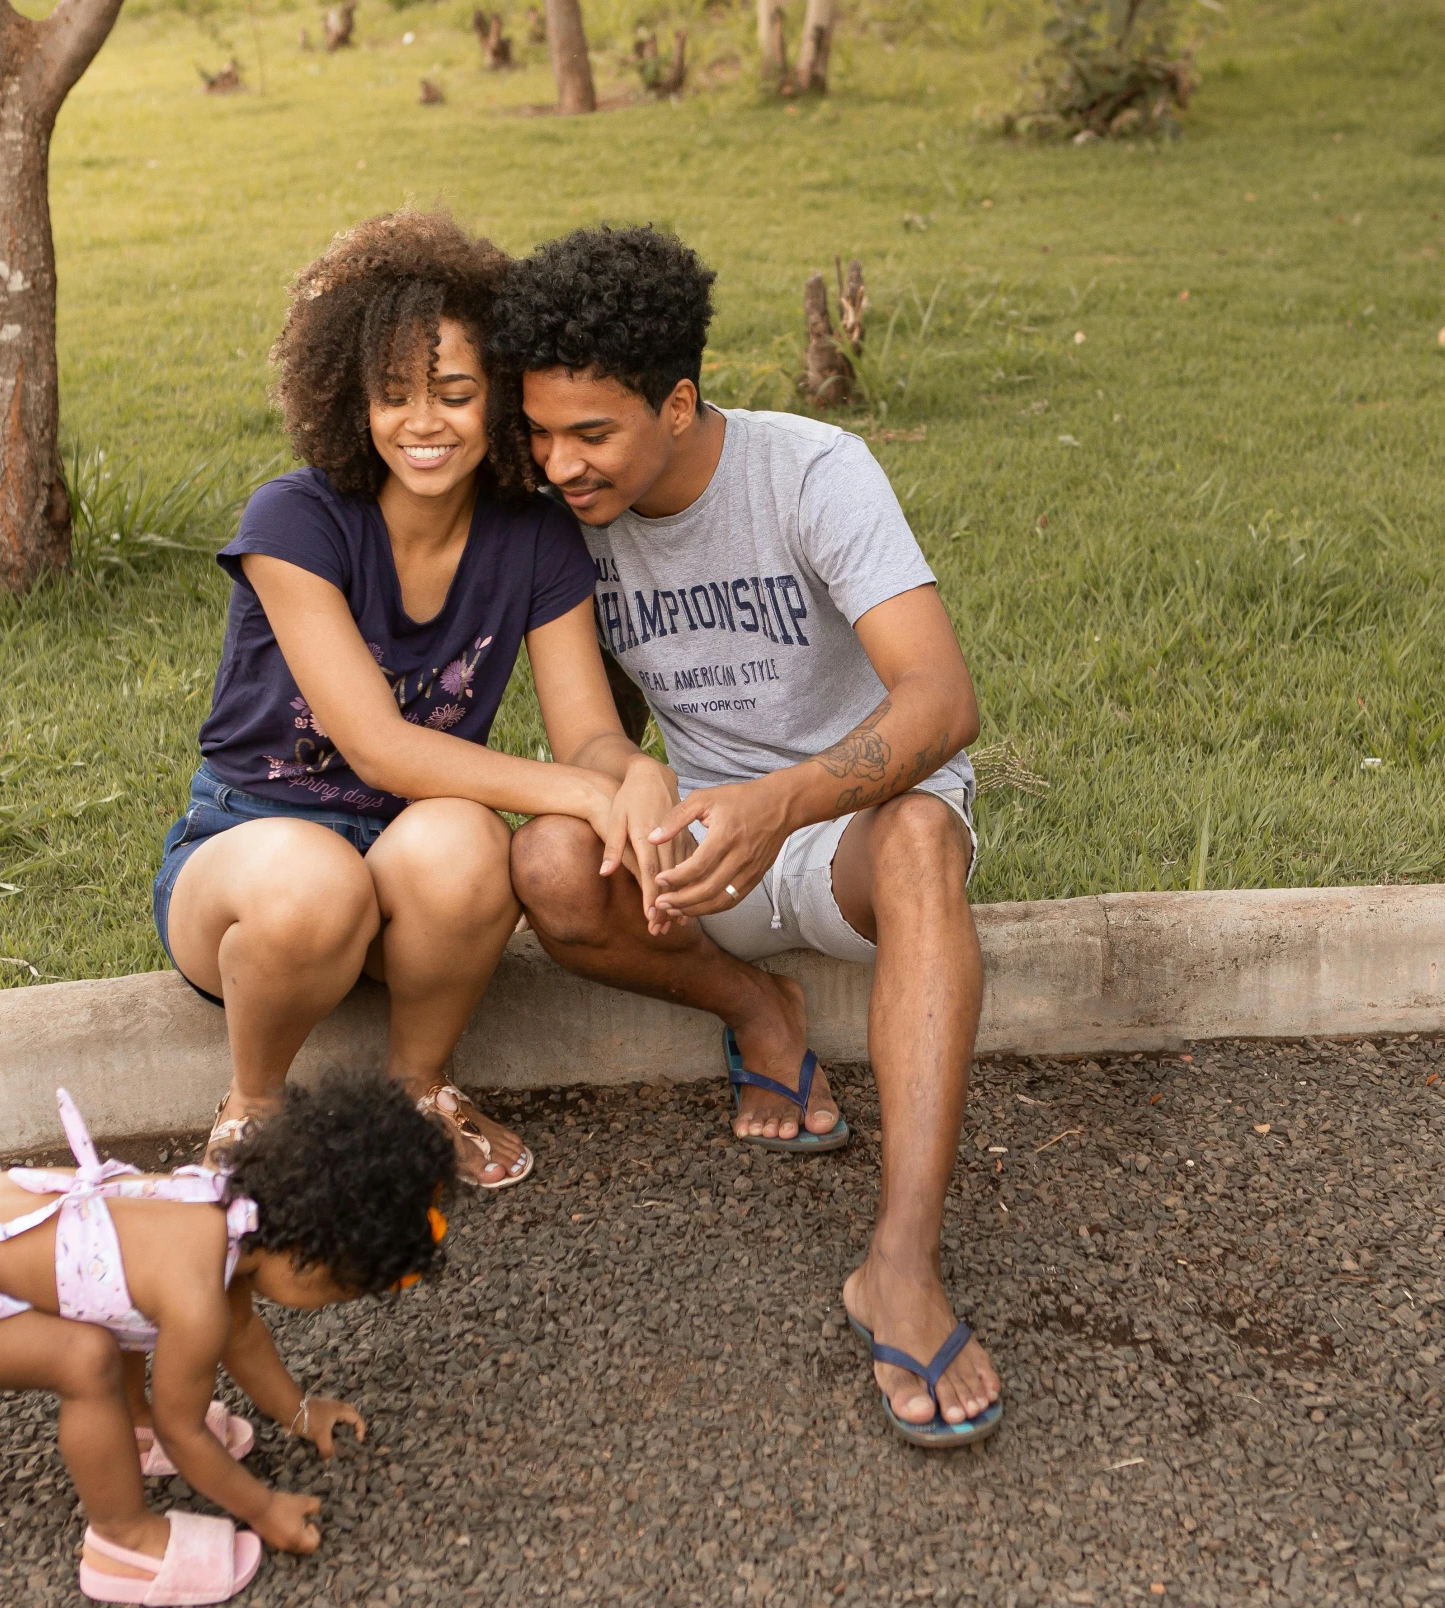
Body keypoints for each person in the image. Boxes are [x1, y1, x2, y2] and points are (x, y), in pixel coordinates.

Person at [491, 226, 1002, 1448]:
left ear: (678, 402)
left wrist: (783, 802)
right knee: (548, 863)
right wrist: (630, 796)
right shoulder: (558, 515)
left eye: (592, 433)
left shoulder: (811, 473)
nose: (560, 465)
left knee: (927, 839)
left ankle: (900, 1262)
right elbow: (591, 726)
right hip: (700, 840)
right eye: (540, 433)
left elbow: (941, 701)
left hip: (843, 832)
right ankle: (758, 1014)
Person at [155, 210, 674, 1186]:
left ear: (502, 398)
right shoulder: (293, 521)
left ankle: (419, 1087)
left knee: (470, 838)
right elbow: (379, 747)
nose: (423, 423)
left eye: (455, 393)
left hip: (403, 877)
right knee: (315, 877)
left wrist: (631, 777)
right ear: (352, 398)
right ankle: (254, 1105)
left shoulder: (533, 538)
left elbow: (589, 733)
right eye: (393, 395)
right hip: (248, 860)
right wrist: (578, 792)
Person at [0, 1077, 453, 1604]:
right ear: (309, 1260)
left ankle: (131, 1425)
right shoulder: (196, 1295)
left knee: (109, 1305)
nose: (331, 1307)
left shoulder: (224, 1213)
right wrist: (263, 1508)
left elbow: (245, 1337)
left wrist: (300, 1410)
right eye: (340, 1293)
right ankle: (122, 1537)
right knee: (85, 1359)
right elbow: (190, 1431)